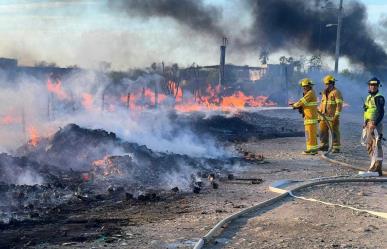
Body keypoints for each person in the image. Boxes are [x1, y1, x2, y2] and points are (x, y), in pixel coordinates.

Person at [362, 77, 384, 176]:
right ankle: (373, 165)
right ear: (369, 86)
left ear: (378, 86)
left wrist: (375, 123)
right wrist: (365, 122)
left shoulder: (379, 97)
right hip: (368, 124)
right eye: (371, 85)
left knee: (377, 145)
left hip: (375, 124)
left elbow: (381, 112)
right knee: (369, 145)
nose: (373, 87)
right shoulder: (368, 97)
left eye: (375, 85)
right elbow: (368, 111)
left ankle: (377, 168)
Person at [292, 78, 319, 155]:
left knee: (310, 134)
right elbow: (303, 102)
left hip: (310, 117)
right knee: (311, 134)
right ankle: (313, 149)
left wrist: (295, 105)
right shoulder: (310, 92)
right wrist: (296, 104)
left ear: (309, 86)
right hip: (309, 117)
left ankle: (311, 150)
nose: (304, 88)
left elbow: (303, 101)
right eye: (303, 86)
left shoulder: (310, 93)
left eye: (305, 86)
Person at [318, 75, 343, 153]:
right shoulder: (324, 92)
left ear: (332, 83)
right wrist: (319, 116)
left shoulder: (336, 92)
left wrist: (336, 115)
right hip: (323, 117)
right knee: (322, 132)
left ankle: (336, 147)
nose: (326, 85)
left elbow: (339, 105)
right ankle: (324, 145)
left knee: (334, 132)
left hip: (332, 117)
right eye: (325, 84)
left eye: (328, 84)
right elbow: (322, 104)